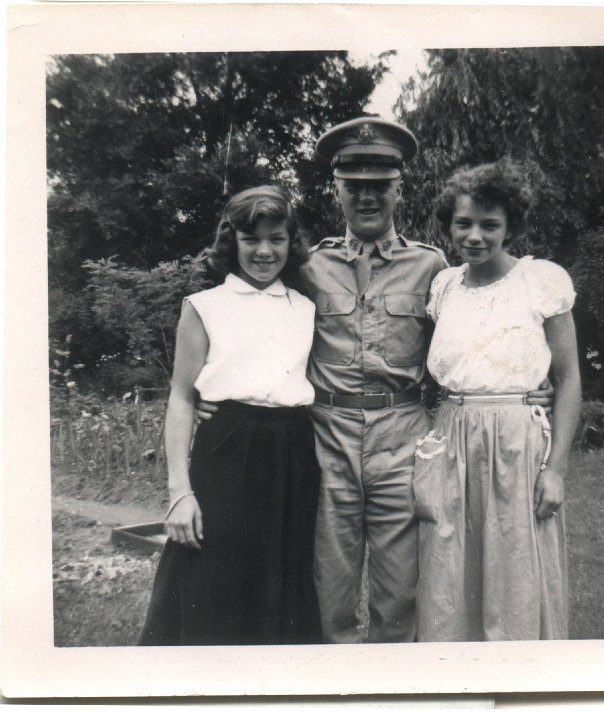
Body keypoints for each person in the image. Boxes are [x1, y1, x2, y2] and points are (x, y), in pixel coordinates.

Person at [198, 118, 554, 644]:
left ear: (398, 189)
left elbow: (475, 329)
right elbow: (248, 317)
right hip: (326, 436)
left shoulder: (432, 267)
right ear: (336, 189)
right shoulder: (307, 265)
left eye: (379, 187)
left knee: (402, 589)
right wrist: (210, 395)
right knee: (328, 587)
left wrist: (527, 384)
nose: (367, 198)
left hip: (404, 438)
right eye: (355, 187)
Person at [139, 186, 322, 646]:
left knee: (283, 575)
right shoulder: (204, 306)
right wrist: (179, 492)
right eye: (251, 239)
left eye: (277, 239)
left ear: (291, 242)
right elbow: (181, 399)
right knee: (212, 575)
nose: (264, 251)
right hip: (227, 449)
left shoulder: (305, 308)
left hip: (292, 452)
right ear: (232, 242)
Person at [413, 160, 581, 642]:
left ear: (511, 228)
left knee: (515, 570)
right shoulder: (444, 286)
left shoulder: (540, 280)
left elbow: (568, 379)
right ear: (448, 224)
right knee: (447, 571)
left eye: (490, 225)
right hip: (451, 436)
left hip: (516, 442)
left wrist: (556, 469)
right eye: (463, 223)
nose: (475, 236)